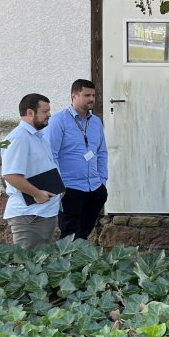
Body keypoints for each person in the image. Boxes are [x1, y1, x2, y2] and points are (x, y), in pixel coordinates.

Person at [45, 79, 108, 240]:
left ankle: (81, 263)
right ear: (74, 96)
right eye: (87, 95)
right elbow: (51, 155)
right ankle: (69, 265)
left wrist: (102, 181)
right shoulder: (58, 121)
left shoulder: (96, 122)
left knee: (84, 235)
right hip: (70, 188)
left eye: (93, 95)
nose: (92, 99)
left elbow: (101, 152)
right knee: (69, 236)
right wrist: (58, 186)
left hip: (94, 187)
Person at [1, 94, 62, 249]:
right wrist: (37, 193)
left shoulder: (38, 136)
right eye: (45, 111)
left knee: (39, 266)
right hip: (30, 216)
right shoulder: (19, 138)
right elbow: (10, 175)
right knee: (28, 268)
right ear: (30, 113)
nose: (49, 114)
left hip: (42, 213)